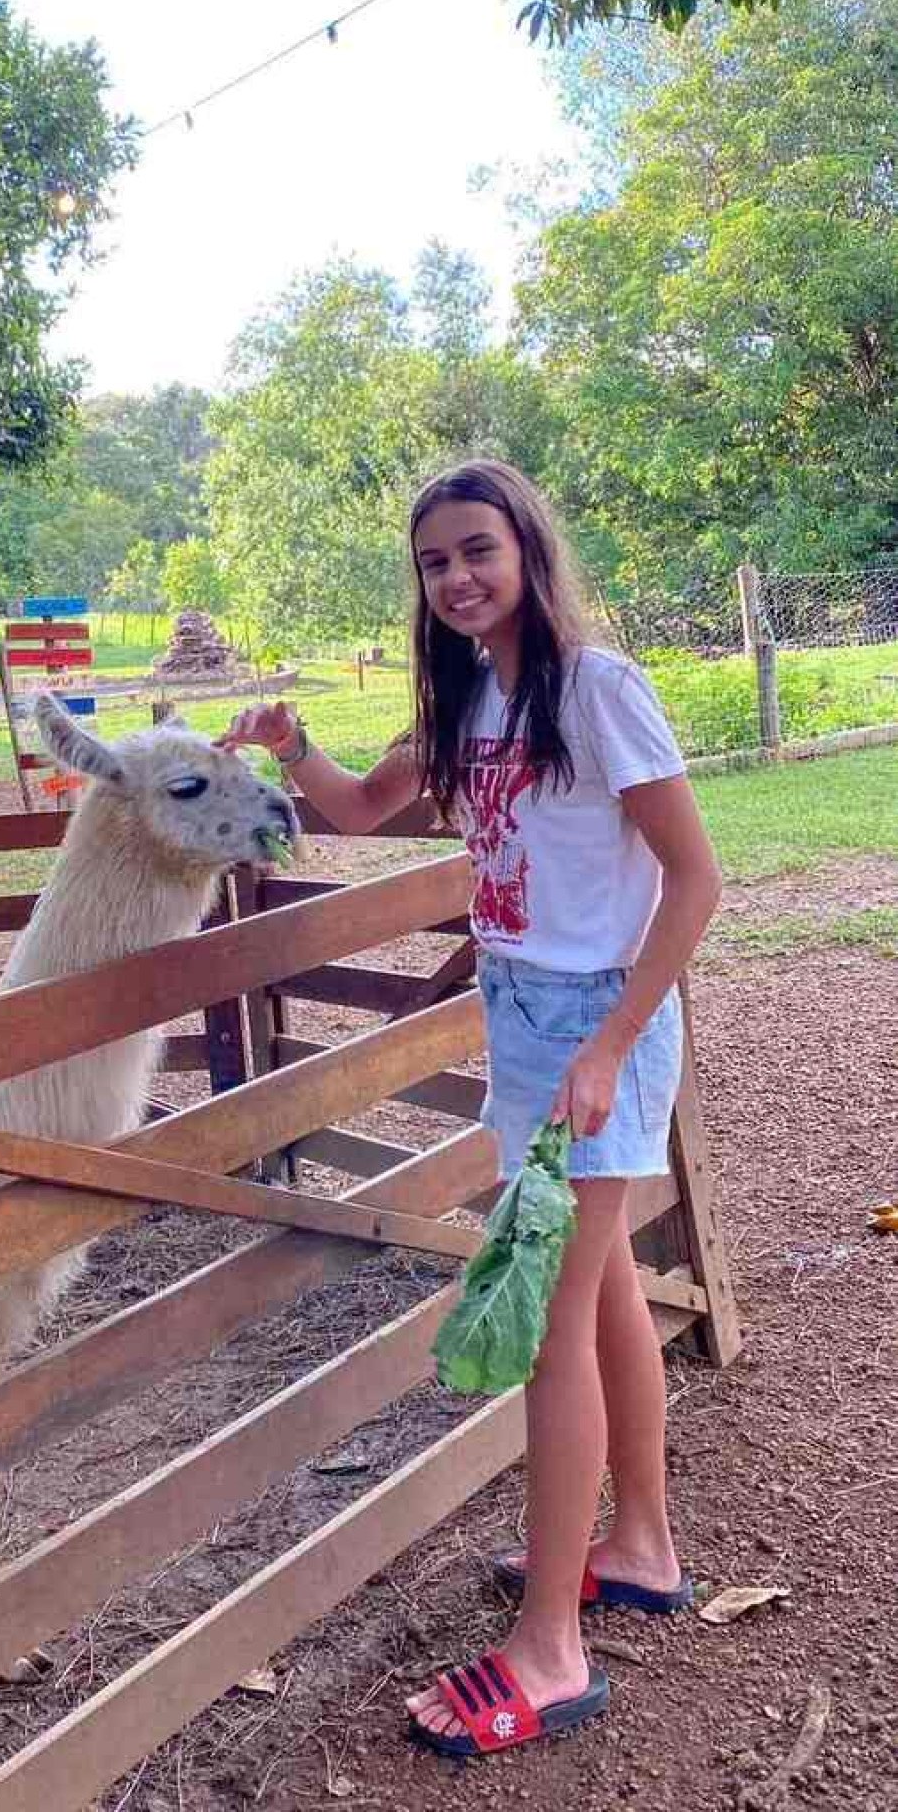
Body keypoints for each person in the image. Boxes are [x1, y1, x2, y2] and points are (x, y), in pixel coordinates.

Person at [217, 459, 722, 1762]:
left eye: (477, 550)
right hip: (523, 1011)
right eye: (435, 561)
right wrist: (292, 746)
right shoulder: (469, 694)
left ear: (527, 548)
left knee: (548, 1322)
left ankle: (552, 1649)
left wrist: (612, 1044)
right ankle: (643, 1544)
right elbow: (361, 806)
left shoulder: (594, 688)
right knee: (596, 1292)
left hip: (598, 1016)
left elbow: (697, 878)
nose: (457, 577)